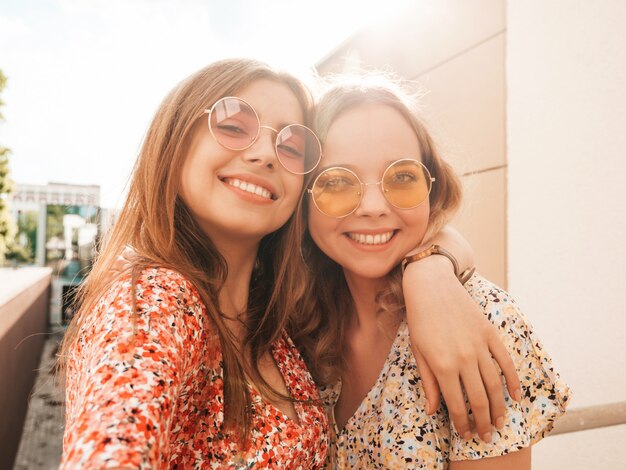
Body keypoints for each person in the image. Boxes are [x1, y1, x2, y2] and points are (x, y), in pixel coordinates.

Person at [60, 58, 519, 468]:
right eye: (234, 125)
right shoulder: (153, 301)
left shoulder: (290, 321)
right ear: (175, 139)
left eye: (290, 146)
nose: (263, 154)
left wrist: (431, 267)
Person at [297, 75, 571, 468]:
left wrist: (431, 269)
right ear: (302, 200)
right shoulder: (297, 323)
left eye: (402, 177)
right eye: (337, 181)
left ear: (432, 187)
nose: (374, 206)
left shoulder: (483, 319)